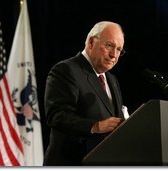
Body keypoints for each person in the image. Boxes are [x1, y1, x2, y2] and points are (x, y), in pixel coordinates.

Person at [43, 21, 128, 166]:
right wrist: (95, 126)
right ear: (91, 42)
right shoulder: (66, 70)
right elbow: (56, 116)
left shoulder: (112, 80)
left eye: (119, 49)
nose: (114, 55)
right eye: (109, 45)